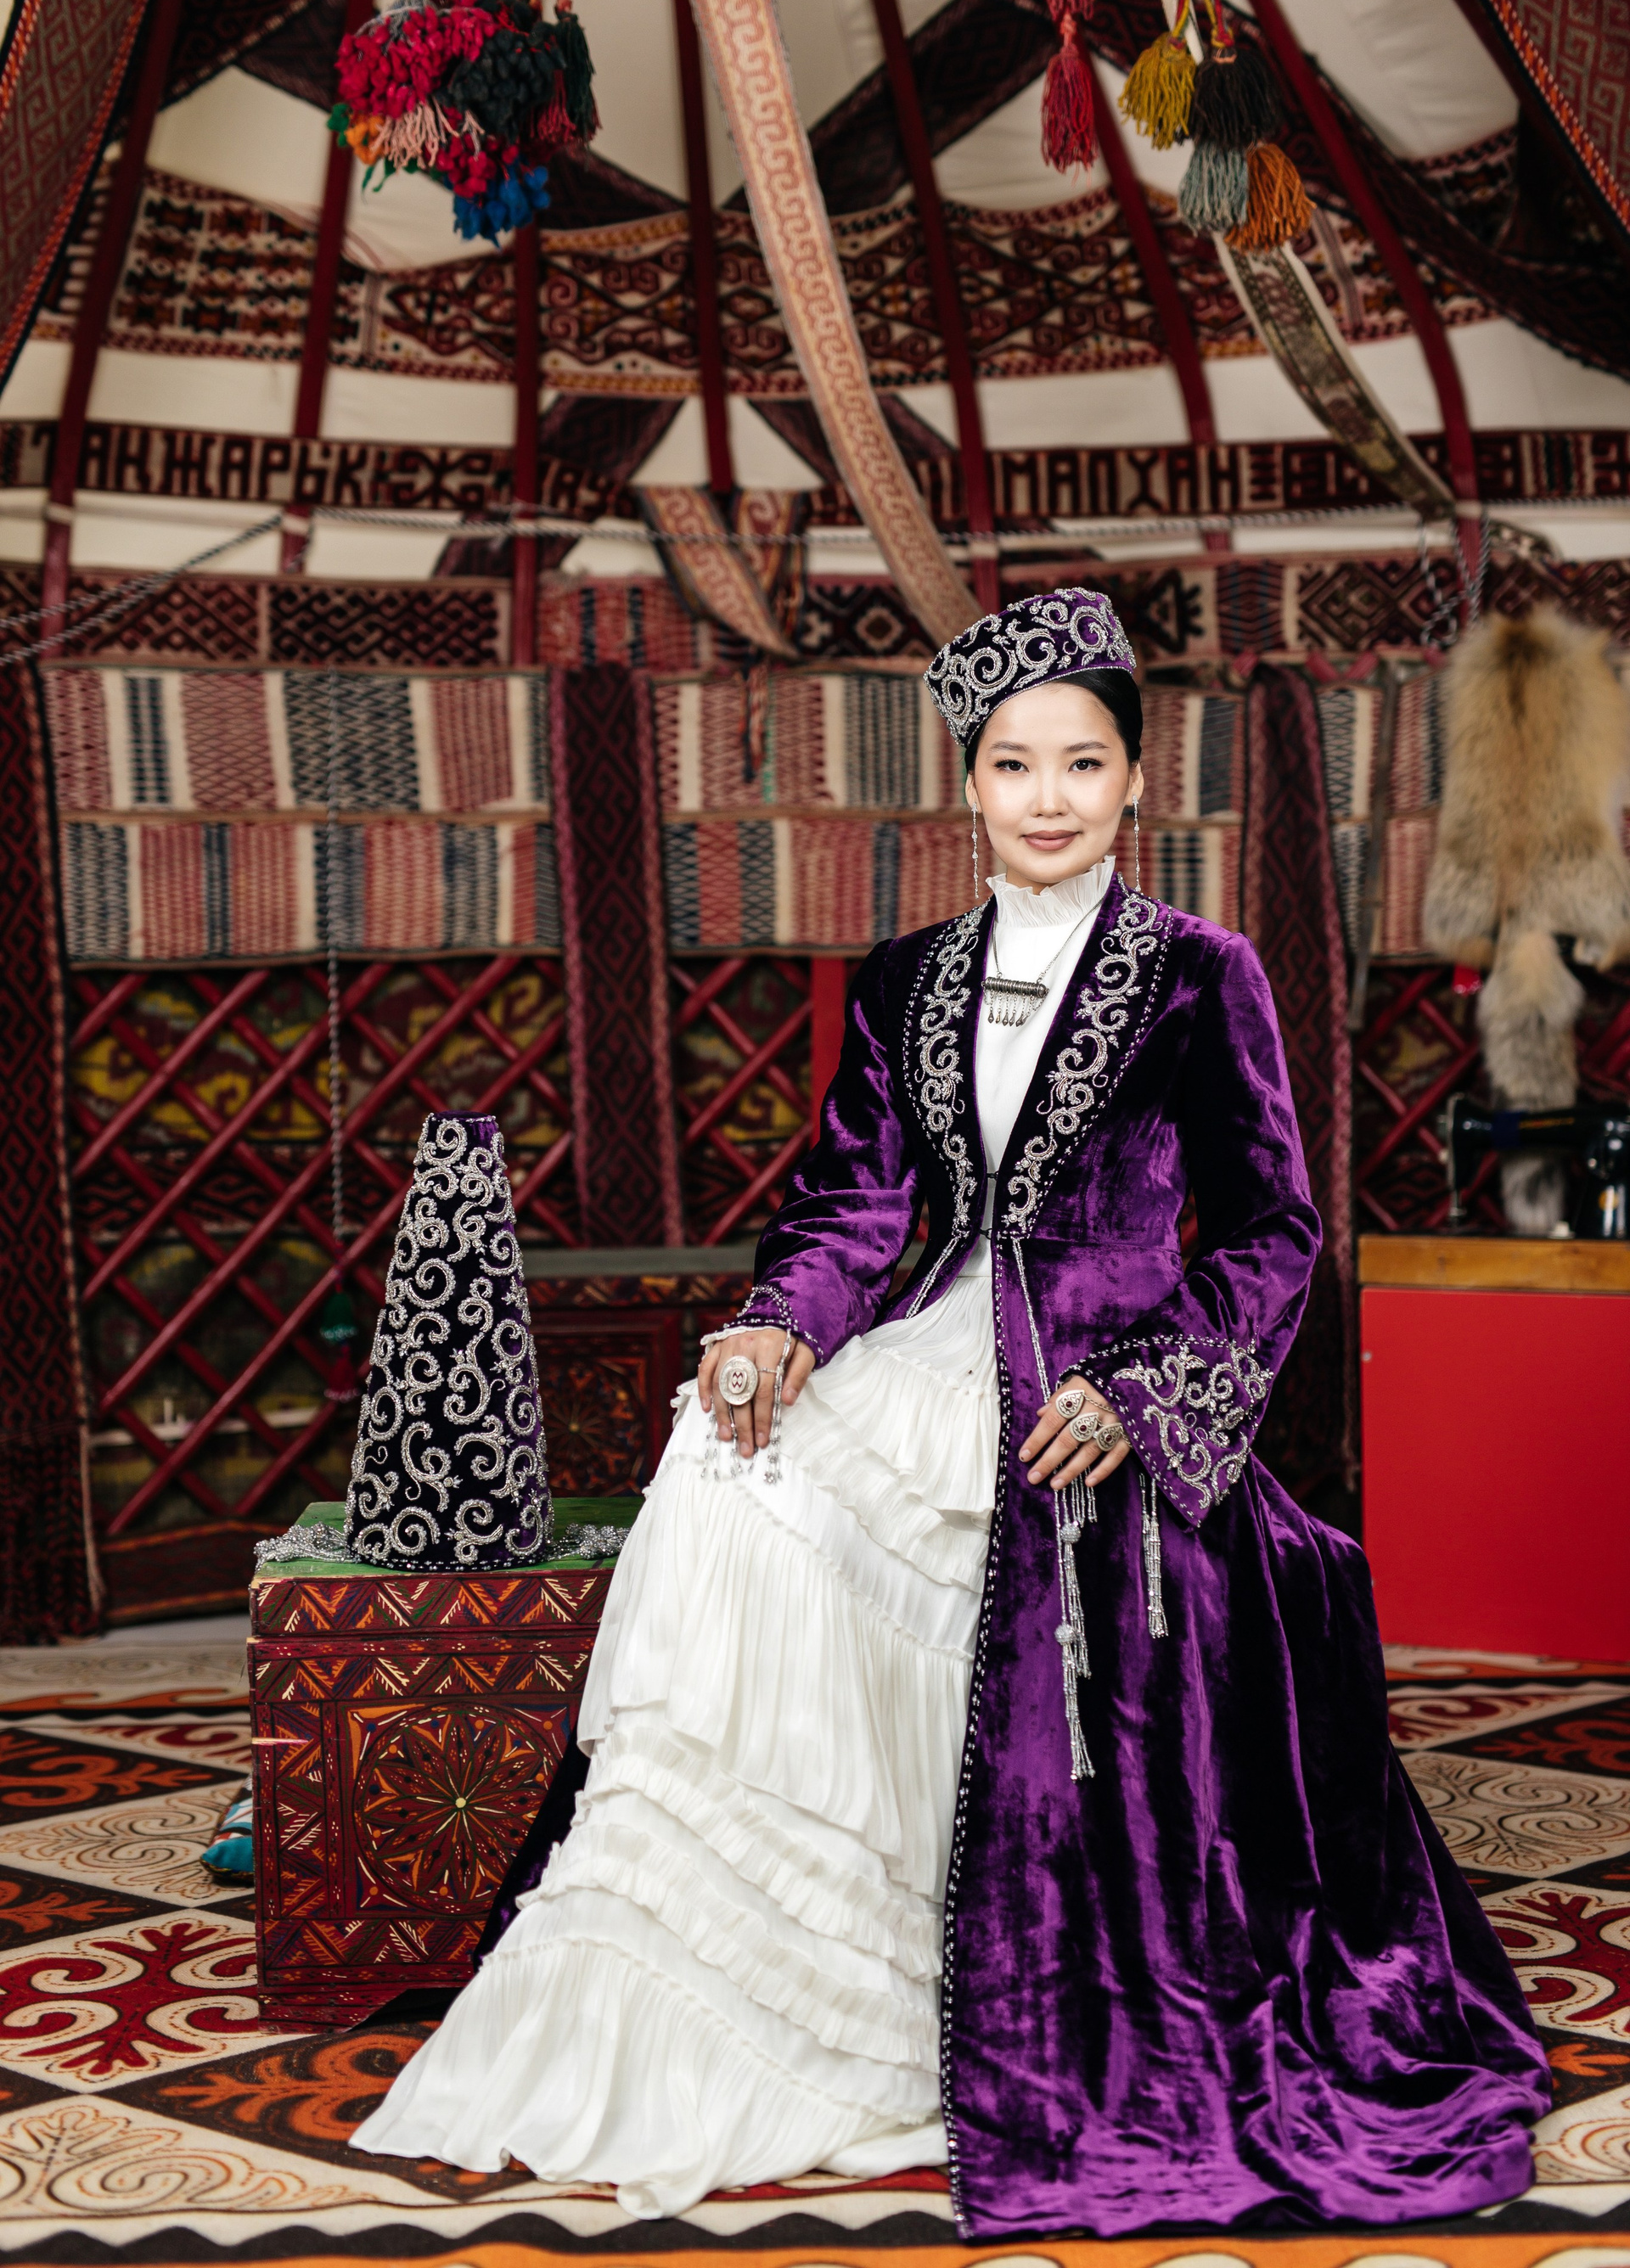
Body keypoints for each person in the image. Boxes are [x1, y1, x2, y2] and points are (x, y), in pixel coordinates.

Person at [352, 588, 1548, 2235]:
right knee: (730, 1464)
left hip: (1105, 1370)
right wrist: (776, 1329)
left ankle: (986, 1988)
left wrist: (1150, 1392)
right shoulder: (907, 976)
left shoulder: (1202, 974)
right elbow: (854, 1204)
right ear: (968, 784)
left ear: (1137, 779)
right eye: (1013, 765)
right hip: (928, 1345)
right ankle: (765, 1992)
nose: (1049, 797)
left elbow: (1274, 1231)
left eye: (1083, 762)